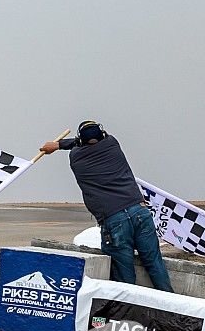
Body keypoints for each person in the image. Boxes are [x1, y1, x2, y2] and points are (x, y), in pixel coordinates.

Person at [40, 121, 173, 292]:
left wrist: (57, 145)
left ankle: (128, 311)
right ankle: (170, 302)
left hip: (114, 220)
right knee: (155, 263)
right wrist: (60, 144)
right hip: (139, 211)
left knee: (125, 278)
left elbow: (76, 144)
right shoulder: (112, 144)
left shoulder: (76, 158)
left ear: (81, 140)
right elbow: (82, 141)